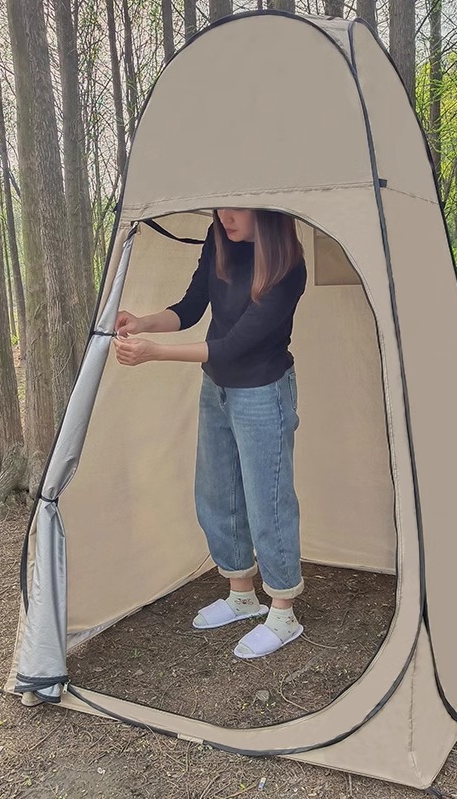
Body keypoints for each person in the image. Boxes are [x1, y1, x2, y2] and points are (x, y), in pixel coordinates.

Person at [114, 208, 307, 659]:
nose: (225, 216)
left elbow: (235, 344)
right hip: (216, 387)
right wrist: (142, 322)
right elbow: (190, 308)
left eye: (236, 207)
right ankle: (242, 595)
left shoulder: (288, 266)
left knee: (268, 499)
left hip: (263, 391)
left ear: (265, 210)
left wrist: (155, 353)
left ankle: (283, 612)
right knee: (218, 492)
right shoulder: (217, 236)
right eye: (220, 206)